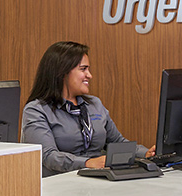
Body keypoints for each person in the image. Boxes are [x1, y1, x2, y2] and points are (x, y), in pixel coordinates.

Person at [22, 41, 154, 177]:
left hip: (97, 180)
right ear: (62, 72)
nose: (89, 75)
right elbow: (49, 157)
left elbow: (117, 143)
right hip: (59, 185)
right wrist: (88, 163)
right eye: (83, 69)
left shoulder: (95, 105)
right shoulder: (36, 110)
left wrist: (145, 153)